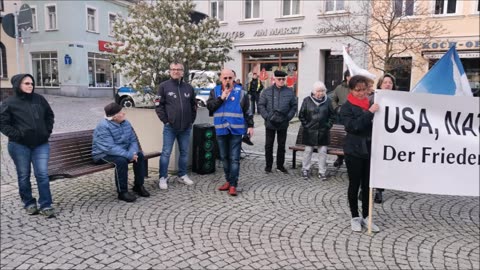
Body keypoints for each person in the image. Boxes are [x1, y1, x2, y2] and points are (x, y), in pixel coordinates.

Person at [0, 74, 56, 218]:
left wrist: (46, 132)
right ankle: (29, 203)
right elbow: (3, 123)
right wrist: (17, 135)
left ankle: (46, 204)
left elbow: (49, 115)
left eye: (31, 83)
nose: (30, 85)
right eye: (26, 83)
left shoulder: (39, 99)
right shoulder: (9, 102)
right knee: (24, 175)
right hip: (19, 145)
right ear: (18, 84)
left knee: (42, 174)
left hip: (41, 144)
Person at [340, 75, 380, 232]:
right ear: (351, 90)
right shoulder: (346, 107)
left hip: (370, 149)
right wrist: (369, 113)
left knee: (368, 186)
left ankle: (367, 216)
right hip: (354, 151)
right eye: (358, 90)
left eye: (364, 89)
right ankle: (355, 216)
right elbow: (353, 127)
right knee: (354, 184)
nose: (362, 93)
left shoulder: (371, 103)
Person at [207, 68, 254, 196]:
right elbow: (210, 107)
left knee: (234, 158)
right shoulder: (215, 91)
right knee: (224, 157)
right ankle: (228, 180)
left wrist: (250, 125)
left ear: (234, 78)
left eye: (230, 78)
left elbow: (247, 111)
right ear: (221, 79)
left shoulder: (241, 93)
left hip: (236, 129)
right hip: (221, 129)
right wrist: (221, 98)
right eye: (225, 78)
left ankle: (233, 184)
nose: (227, 80)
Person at [92, 103, 150, 202]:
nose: (123, 113)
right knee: (121, 161)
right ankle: (122, 192)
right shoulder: (103, 126)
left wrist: (133, 153)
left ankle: (138, 185)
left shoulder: (126, 123)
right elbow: (109, 148)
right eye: (120, 112)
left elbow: (133, 140)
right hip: (102, 154)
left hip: (121, 151)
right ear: (114, 117)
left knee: (139, 155)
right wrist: (128, 155)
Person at [155, 62, 197, 190]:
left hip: (185, 127)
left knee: (184, 152)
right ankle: (163, 177)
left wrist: (191, 121)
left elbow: (193, 105)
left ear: (183, 72)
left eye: (178, 69)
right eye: (173, 69)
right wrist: (166, 121)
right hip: (170, 127)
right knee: (166, 153)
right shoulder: (163, 86)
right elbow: (158, 105)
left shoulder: (188, 88)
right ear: (169, 71)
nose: (176, 71)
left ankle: (182, 174)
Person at [258, 70, 298, 174]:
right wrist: (266, 116)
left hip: (283, 123)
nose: (281, 81)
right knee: (268, 145)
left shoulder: (289, 92)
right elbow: (261, 105)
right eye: (279, 79)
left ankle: (280, 166)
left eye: (283, 79)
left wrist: (288, 117)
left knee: (281, 145)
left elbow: (294, 106)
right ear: (274, 79)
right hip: (270, 123)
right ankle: (268, 166)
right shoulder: (267, 91)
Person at [298, 81, 335, 180]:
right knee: (308, 150)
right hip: (310, 131)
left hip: (323, 132)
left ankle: (322, 171)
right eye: (318, 91)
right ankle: (305, 169)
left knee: (323, 151)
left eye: (322, 91)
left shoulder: (328, 101)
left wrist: (328, 126)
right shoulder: (307, 100)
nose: (320, 93)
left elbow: (332, 115)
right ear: (314, 92)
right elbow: (301, 115)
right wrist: (306, 125)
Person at [371, 73, 396, 203]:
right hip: (373, 137)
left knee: (383, 166)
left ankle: (379, 191)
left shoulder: (398, 101)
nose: (388, 84)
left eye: (390, 83)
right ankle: (366, 188)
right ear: (380, 84)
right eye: (385, 82)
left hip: (388, 139)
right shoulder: (372, 98)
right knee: (370, 164)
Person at [330, 70, 351, 168]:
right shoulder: (339, 88)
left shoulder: (356, 88)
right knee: (340, 137)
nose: (350, 77)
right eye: (349, 76)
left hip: (351, 116)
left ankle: (349, 158)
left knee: (349, 137)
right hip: (340, 115)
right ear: (346, 77)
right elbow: (333, 99)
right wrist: (337, 108)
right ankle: (339, 158)